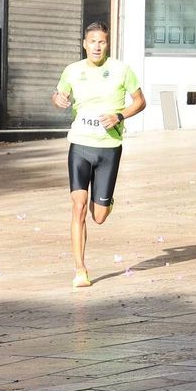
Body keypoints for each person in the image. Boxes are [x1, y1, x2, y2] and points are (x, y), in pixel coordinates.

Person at [52, 21, 145, 287]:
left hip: (109, 149)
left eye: (101, 41)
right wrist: (57, 99)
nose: (96, 46)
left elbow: (140, 101)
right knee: (77, 207)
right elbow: (59, 95)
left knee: (99, 216)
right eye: (92, 41)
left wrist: (120, 115)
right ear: (84, 44)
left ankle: (105, 202)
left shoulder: (121, 70)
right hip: (80, 145)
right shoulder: (72, 71)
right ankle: (80, 269)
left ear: (107, 44)